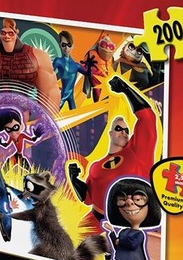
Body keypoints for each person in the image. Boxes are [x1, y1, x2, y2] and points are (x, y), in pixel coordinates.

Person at [68, 75, 159, 234]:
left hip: (127, 222)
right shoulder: (96, 165)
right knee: (68, 243)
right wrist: (74, 179)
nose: (124, 132)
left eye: (126, 130)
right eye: (119, 128)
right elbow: (87, 198)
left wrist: (126, 89)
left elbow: (147, 118)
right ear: (110, 133)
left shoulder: (137, 152)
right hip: (95, 219)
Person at [0, 18, 61, 109]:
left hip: (22, 112)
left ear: (15, 34)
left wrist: (42, 118)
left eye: (10, 33)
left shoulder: (38, 57)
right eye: (3, 33)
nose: (7, 36)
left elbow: (50, 93)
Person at [102, 177, 160, 260]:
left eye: (138, 200)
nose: (129, 203)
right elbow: (116, 245)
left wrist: (120, 241)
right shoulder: (123, 231)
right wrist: (112, 232)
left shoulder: (139, 234)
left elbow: (132, 244)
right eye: (122, 200)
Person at [0, 107, 44, 172]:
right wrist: (0, 142)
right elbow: (6, 145)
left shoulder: (22, 136)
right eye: (8, 130)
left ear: (21, 126)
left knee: (26, 167)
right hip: (15, 155)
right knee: (7, 165)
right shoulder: (11, 138)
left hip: (21, 155)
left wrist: (37, 136)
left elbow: (32, 140)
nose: (13, 133)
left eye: (15, 127)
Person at [52, 30, 87, 110]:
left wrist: (90, 65)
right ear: (60, 45)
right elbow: (48, 75)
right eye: (64, 45)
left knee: (74, 115)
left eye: (69, 45)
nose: (66, 48)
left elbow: (88, 74)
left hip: (70, 96)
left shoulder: (76, 65)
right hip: (63, 95)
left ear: (72, 46)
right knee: (52, 114)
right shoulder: (58, 61)